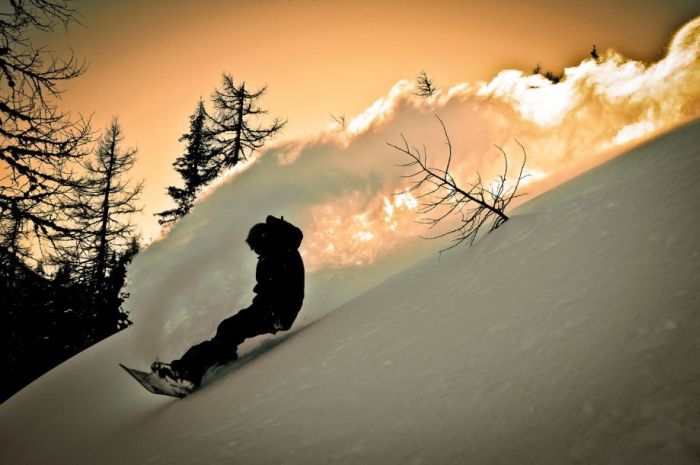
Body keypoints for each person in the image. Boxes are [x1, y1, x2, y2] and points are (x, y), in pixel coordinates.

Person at [152, 215, 304, 387]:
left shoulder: (282, 251)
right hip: (269, 307)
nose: (253, 250)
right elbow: (266, 287)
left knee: (231, 329)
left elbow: (292, 237)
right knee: (228, 327)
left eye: (254, 245)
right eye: (251, 246)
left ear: (264, 240)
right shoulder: (270, 257)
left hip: (278, 311)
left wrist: (275, 224)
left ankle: (186, 373)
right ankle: (218, 358)